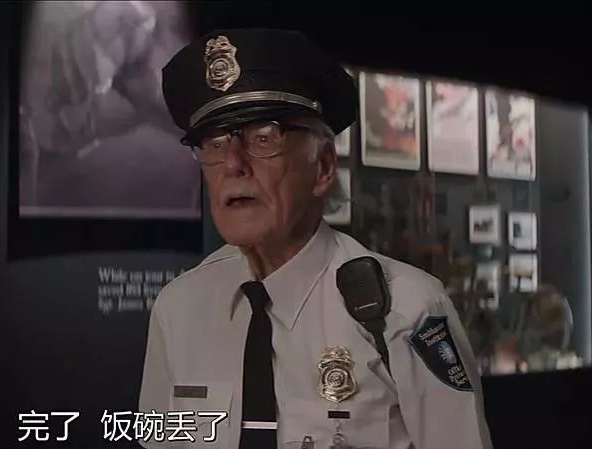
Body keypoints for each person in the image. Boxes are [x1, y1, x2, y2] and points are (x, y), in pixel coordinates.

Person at [138, 29, 492, 449]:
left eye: (263, 137)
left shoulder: (407, 308)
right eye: (214, 144)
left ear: (323, 167)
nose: (233, 163)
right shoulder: (179, 309)